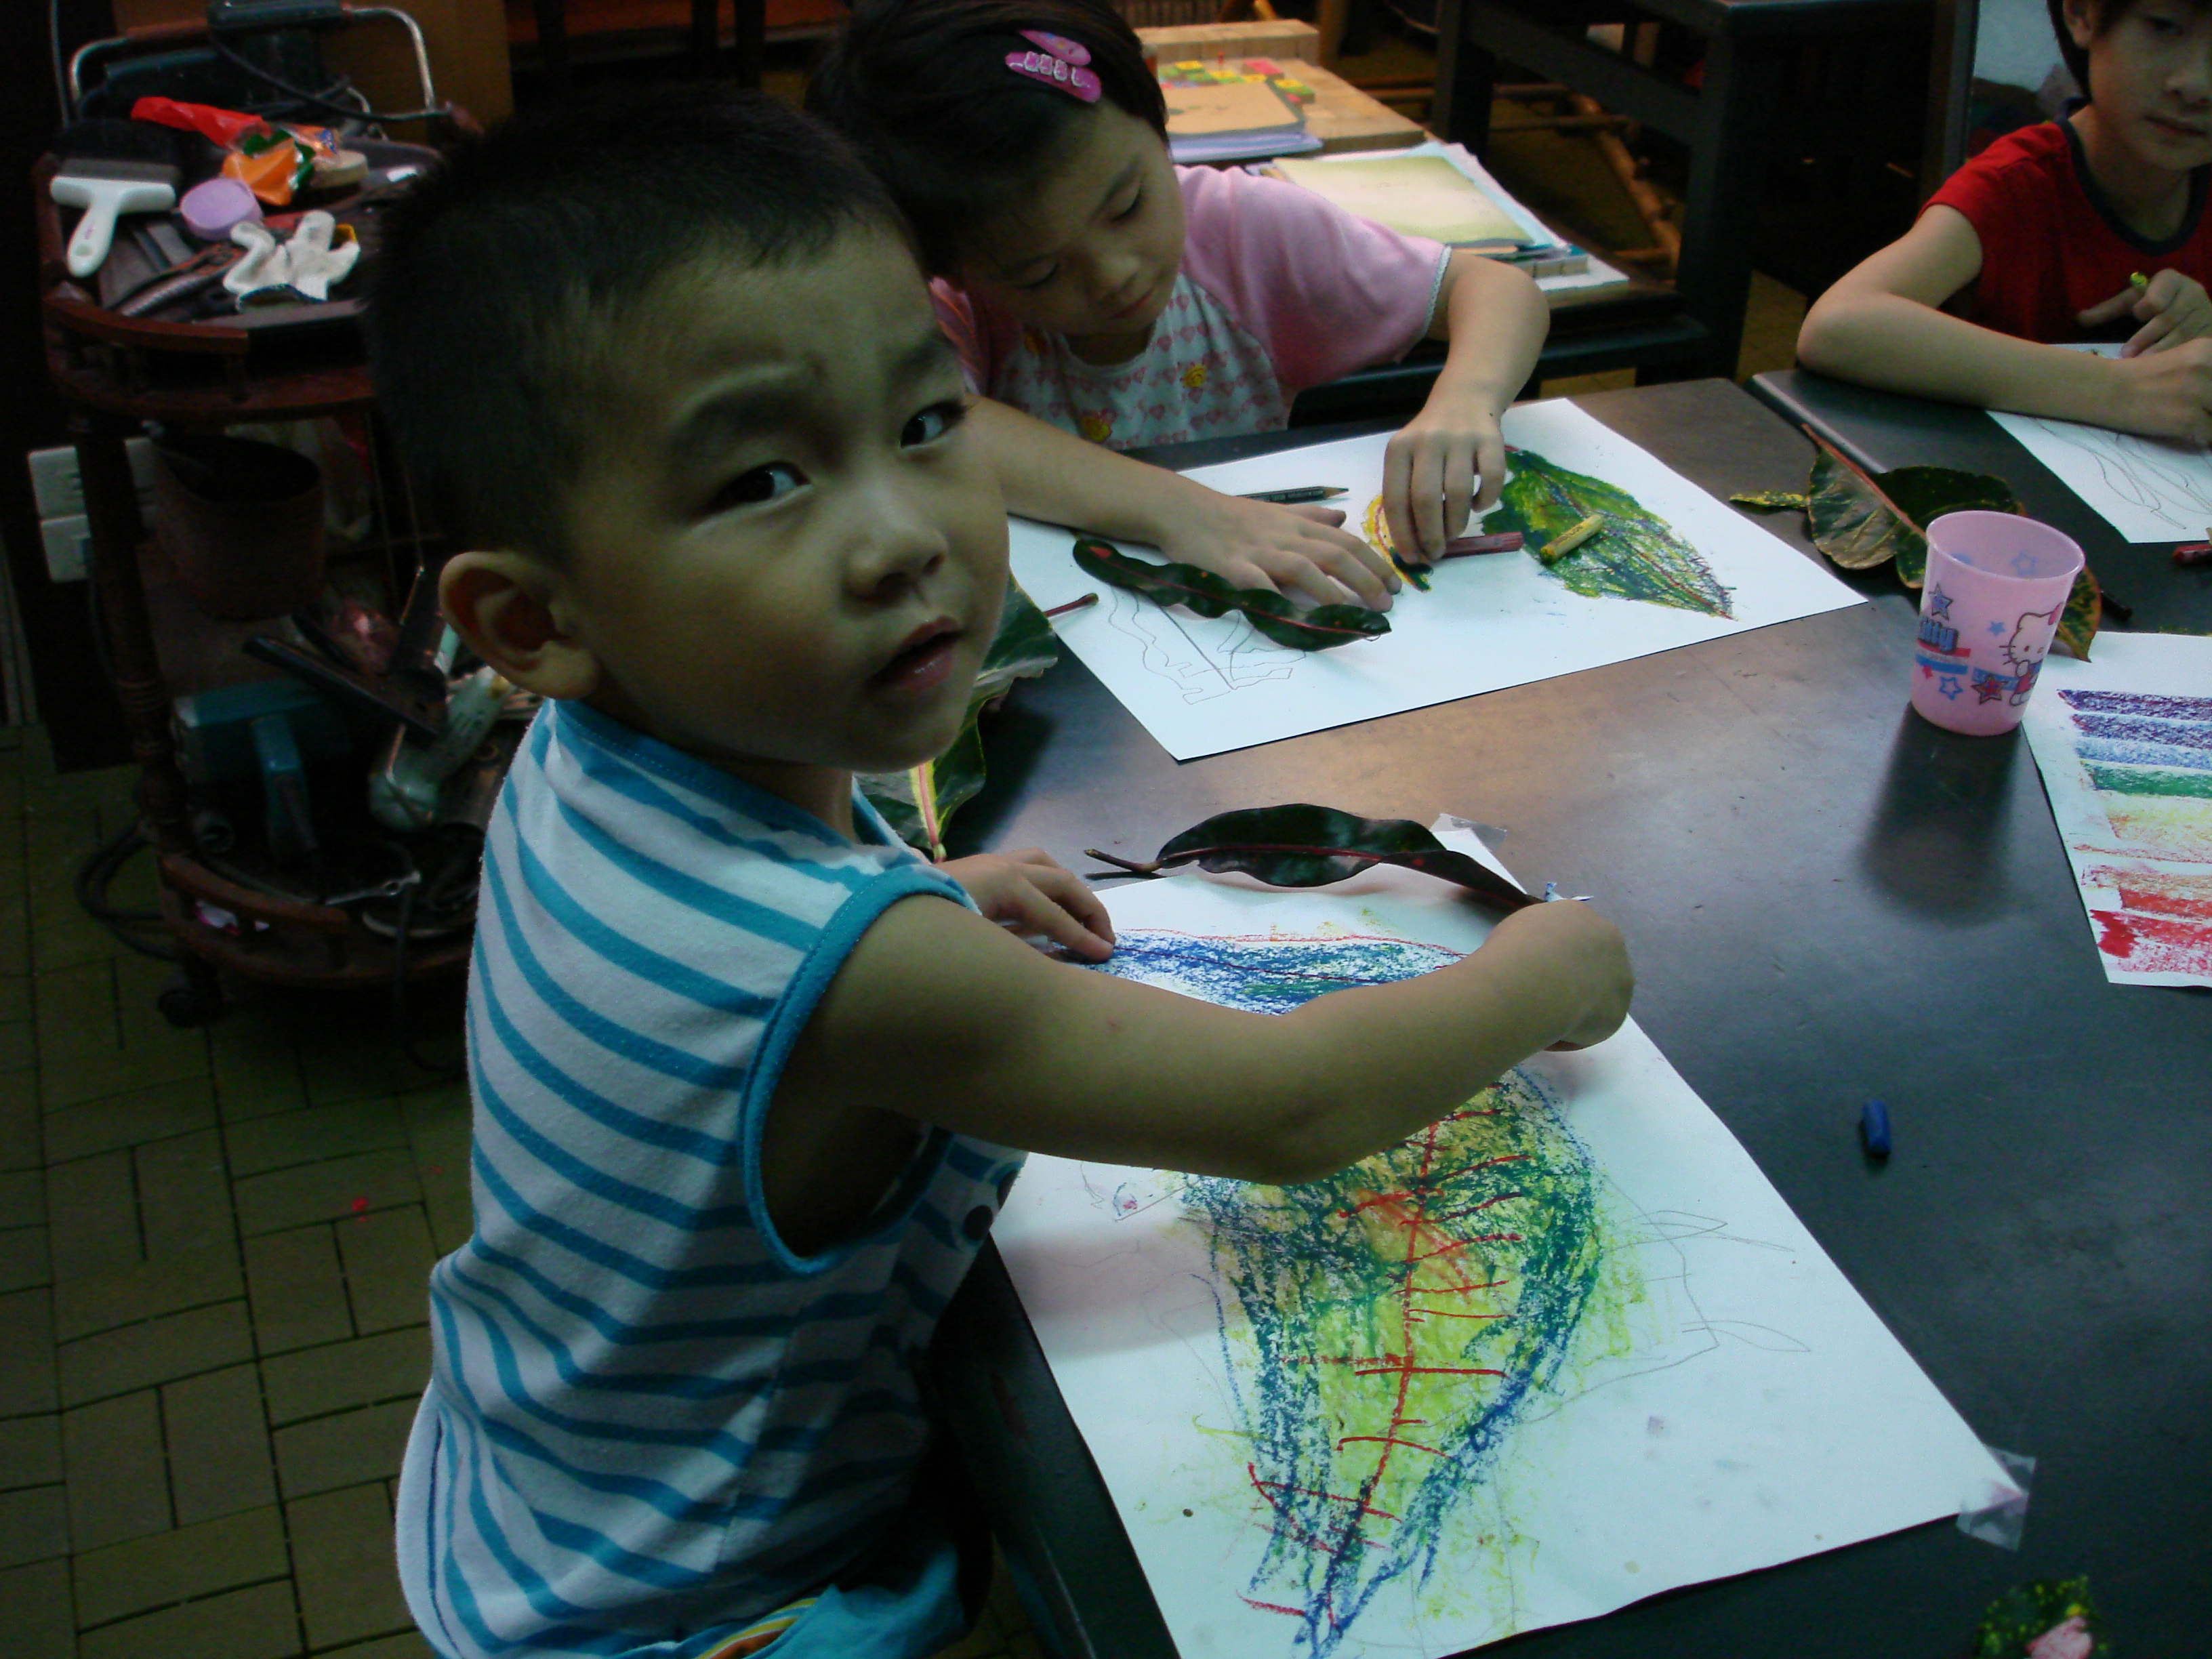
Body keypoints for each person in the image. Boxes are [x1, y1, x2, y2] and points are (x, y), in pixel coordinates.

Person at [367, 85, 1632, 1659]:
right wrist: (1537, 972)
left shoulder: (583, 759)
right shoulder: (865, 973)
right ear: (533, 621)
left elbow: (721, 999)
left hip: (538, 1474)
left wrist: (929, 890)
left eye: (924, 422)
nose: (904, 533)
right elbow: (1288, 1107)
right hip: (713, 1592)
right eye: (762, 481)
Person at [808, 0, 1550, 608]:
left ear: (1154, 105)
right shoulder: (942, 304)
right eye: (1038, 273)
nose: (1114, 274)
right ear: (947, 268)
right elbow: (933, 424)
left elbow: (1496, 288)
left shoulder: (1238, 232)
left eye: (1127, 205)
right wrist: (1183, 512)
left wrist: (1466, 401)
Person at [1798, 0, 2212, 439]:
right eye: (2163, 27)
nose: (2196, 85)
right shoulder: (2015, 185)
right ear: (2082, 13)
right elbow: (1839, 325)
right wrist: (2118, 391)